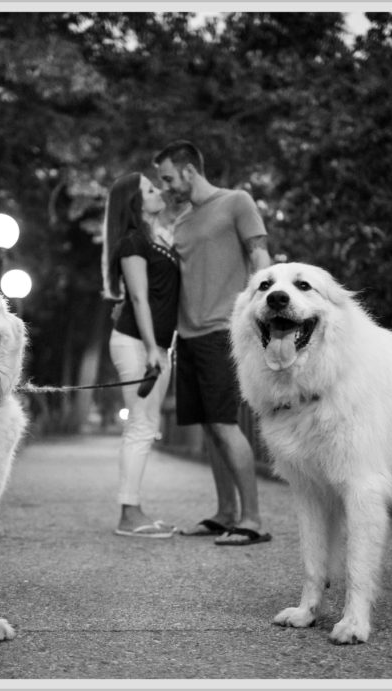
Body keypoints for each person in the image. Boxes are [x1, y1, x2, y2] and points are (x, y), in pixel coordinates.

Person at [153, 140, 273, 547]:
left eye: (168, 177)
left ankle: (253, 520)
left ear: (189, 170)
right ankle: (225, 513)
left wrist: (263, 314)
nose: (165, 186)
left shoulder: (236, 202)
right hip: (186, 337)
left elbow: (260, 257)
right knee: (209, 428)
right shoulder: (183, 222)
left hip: (223, 330)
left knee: (225, 424)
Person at [101, 172, 183, 538]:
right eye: (149, 189)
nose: (158, 191)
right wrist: (153, 348)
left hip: (155, 344)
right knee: (140, 425)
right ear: (134, 202)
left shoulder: (156, 238)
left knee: (147, 426)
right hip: (136, 343)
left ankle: (135, 509)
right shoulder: (132, 242)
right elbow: (138, 298)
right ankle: (128, 514)